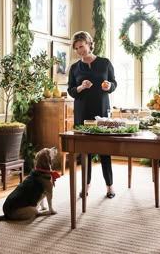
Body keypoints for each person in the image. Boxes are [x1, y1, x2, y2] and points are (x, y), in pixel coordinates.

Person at [67, 31, 117, 199]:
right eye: (76, 48)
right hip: (82, 112)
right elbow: (71, 90)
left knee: (105, 150)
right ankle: (85, 186)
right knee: (85, 151)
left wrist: (108, 86)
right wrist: (80, 87)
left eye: (81, 46)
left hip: (102, 110)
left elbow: (113, 83)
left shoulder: (104, 63)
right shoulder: (75, 68)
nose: (79, 50)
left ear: (89, 43)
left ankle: (110, 187)